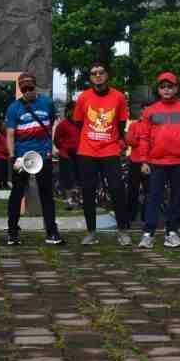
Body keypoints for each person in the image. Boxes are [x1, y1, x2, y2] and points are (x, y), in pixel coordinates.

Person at [136, 72, 180, 249]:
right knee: (153, 198)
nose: (166, 90)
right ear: (158, 90)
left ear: (176, 88)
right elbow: (144, 137)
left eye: (170, 86)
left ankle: (172, 232)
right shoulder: (150, 110)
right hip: (156, 162)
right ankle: (148, 234)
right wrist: (144, 161)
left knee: (177, 198)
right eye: (163, 87)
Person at [73, 61, 131, 246]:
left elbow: (121, 125)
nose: (97, 76)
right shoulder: (83, 98)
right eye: (93, 73)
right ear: (90, 78)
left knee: (117, 189)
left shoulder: (119, 97)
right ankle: (91, 232)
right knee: (88, 192)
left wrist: (118, 142)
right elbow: (79, 124)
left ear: (107, 75)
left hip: (110, 150)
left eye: (101, 72)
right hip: (87, 151)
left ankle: (122, 231)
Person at [4, 72, 64, 246]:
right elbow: (10, 134)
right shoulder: (14, 108)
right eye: (24, 89)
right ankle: (12, 233)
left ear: (35, 86)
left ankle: (52, 232)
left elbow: (52, 124)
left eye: (30, 88)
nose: (27, 91)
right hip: (22, 157)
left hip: (43, 156)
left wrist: (52, 146)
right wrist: (12, 157)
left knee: (46, 195)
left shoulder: (47, 103)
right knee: (16, 194)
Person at [54, 102, 81, 208]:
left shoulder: (80, 124)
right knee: (68, 179)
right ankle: (69, 200)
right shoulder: (62, 125)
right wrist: (64, 148)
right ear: (69, 111)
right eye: (74, 110)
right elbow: (56, 140)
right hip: (66, 155)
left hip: (79, 154)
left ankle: (78, 199)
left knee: (79, 178)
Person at [125, 108, 148, 227]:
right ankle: (130, 216)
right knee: (132, 190)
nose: (143, 114)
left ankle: (146, 217)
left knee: (149, 191)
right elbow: (129, 140)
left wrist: (139, 139)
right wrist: (141, 139)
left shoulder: (153, 125)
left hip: (149, 162)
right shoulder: (134, 125)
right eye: (142, 112)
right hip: (135, 161)